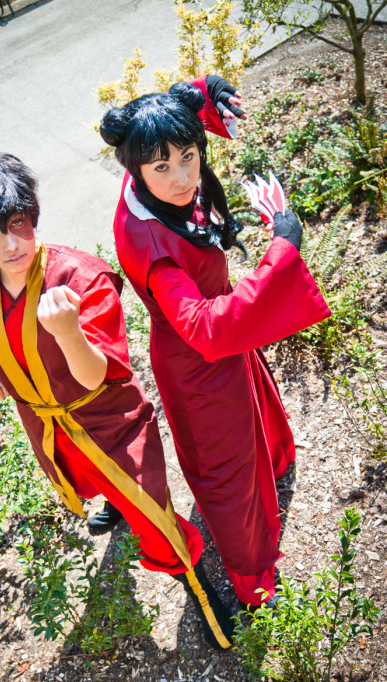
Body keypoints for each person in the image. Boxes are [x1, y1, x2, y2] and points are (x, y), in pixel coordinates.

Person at [0, 152, 236, 649]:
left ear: (33, 214)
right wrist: (2, 371)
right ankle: (116, 508)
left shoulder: (80, 279)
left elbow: (96, 374)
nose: (10, 243)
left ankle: (198, 586)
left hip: (108, 423)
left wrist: (66, 332)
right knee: (88, 482)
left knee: (155, 514)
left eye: (18, 223)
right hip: (46, 425)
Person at [100, 77, 331, 609]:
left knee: (252, 420)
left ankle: (273, 463)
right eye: (163, 167)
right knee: (225, 472)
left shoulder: (146, 176)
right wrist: (283, 251)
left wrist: (200, 92)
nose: (182, 178)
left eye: (189, 157)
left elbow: (165, 127)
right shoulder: (151, 244)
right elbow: (206, 328)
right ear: (136, 167)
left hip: (212, 334)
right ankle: (252, 577)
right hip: (195, 360)